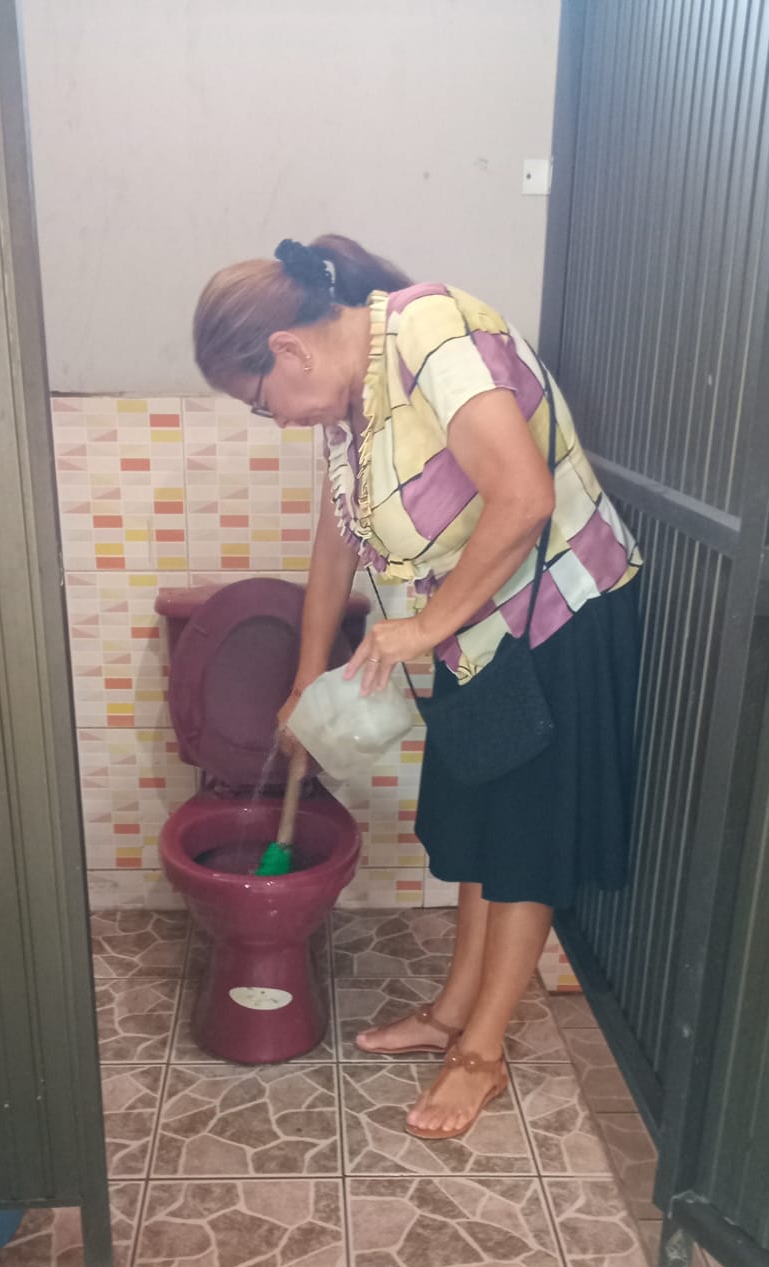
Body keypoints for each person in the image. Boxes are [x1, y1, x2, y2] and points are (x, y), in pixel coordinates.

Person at [192, 236, 642, 1140]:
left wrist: (425, 628)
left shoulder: (431, 332)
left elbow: (524, 499)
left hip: (558, 617)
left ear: (287, 349)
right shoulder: (348, 406)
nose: (271, 420)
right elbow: (337, 542)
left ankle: (482, 1051)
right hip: (475, 632)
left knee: (523, 845)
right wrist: (307, 678)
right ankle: (451, 1012)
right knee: (479, 828)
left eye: (259, 403)